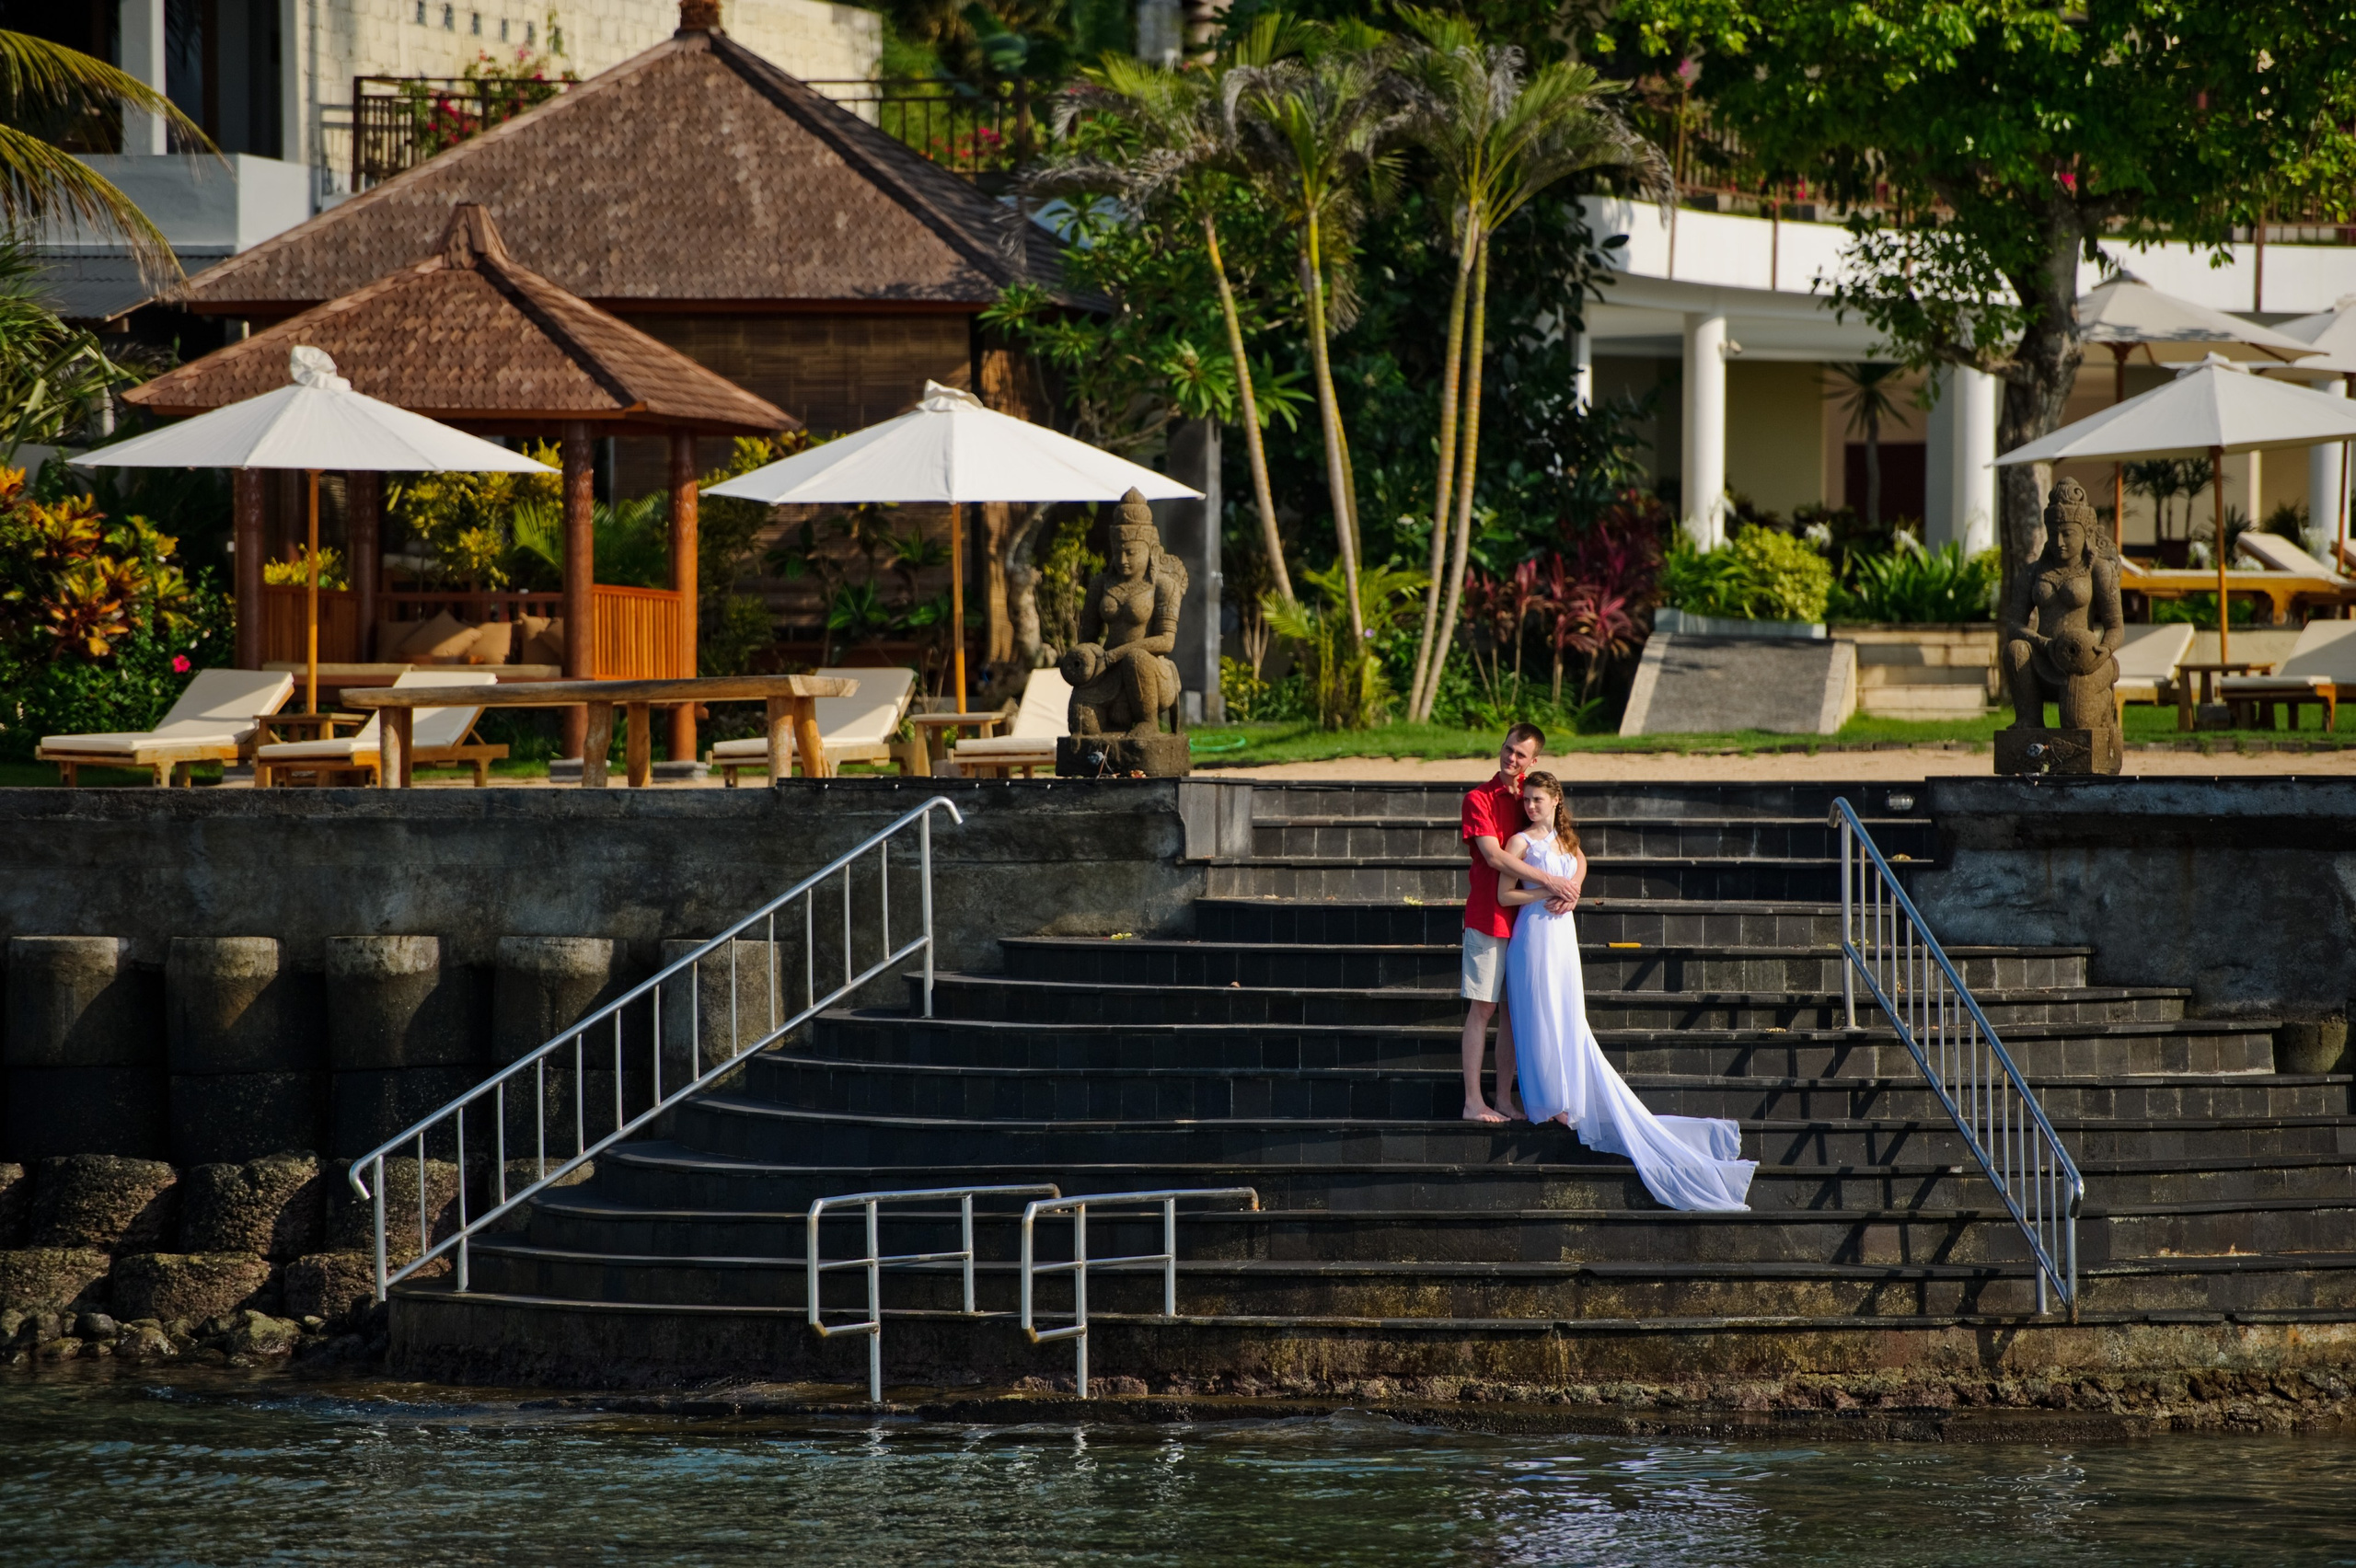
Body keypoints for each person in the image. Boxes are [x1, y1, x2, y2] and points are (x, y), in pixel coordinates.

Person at [1498, 771, 1757, 1211]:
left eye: (1538, 799)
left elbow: (1580, 861)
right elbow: (1506, 895)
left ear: (1557, 800)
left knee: (1567, 1012)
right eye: (1527, 800)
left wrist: (1574, 885)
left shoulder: (1566, 842)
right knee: (1538, 1013)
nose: (1530, 807)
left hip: (1562, 937)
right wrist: (1549, 888)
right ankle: (1549, 1100)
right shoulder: (1520, 843)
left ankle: (1569, 1093)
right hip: (1533, 935)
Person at [1458, 724, 1582, 1123]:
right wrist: (1551, 883)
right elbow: (1495, 858)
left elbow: (1572, 847)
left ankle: (1506, 1099)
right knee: (1484, 1008)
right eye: (1508, 749)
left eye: (1520, 755)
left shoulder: (1532, 795)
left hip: (1531, 926)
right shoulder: (1479, 798)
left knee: (1516, 1014)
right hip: (1490, 917)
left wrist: (1574, 885)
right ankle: (1473, 1102)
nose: (1511, 759)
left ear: (1533, 761)